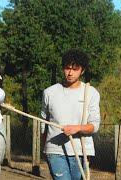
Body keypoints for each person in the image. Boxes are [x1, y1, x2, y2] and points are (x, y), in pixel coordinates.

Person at [41, 49, 101, 180]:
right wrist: (44, 148)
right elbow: (43, 124)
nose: (70, 73)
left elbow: (94, 126)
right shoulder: (49, 93)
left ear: (82, 71)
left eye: (75, 69)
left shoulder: (91, 93)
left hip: (81, 151)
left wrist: (77, 128)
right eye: (67, 68)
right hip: (54, 150)